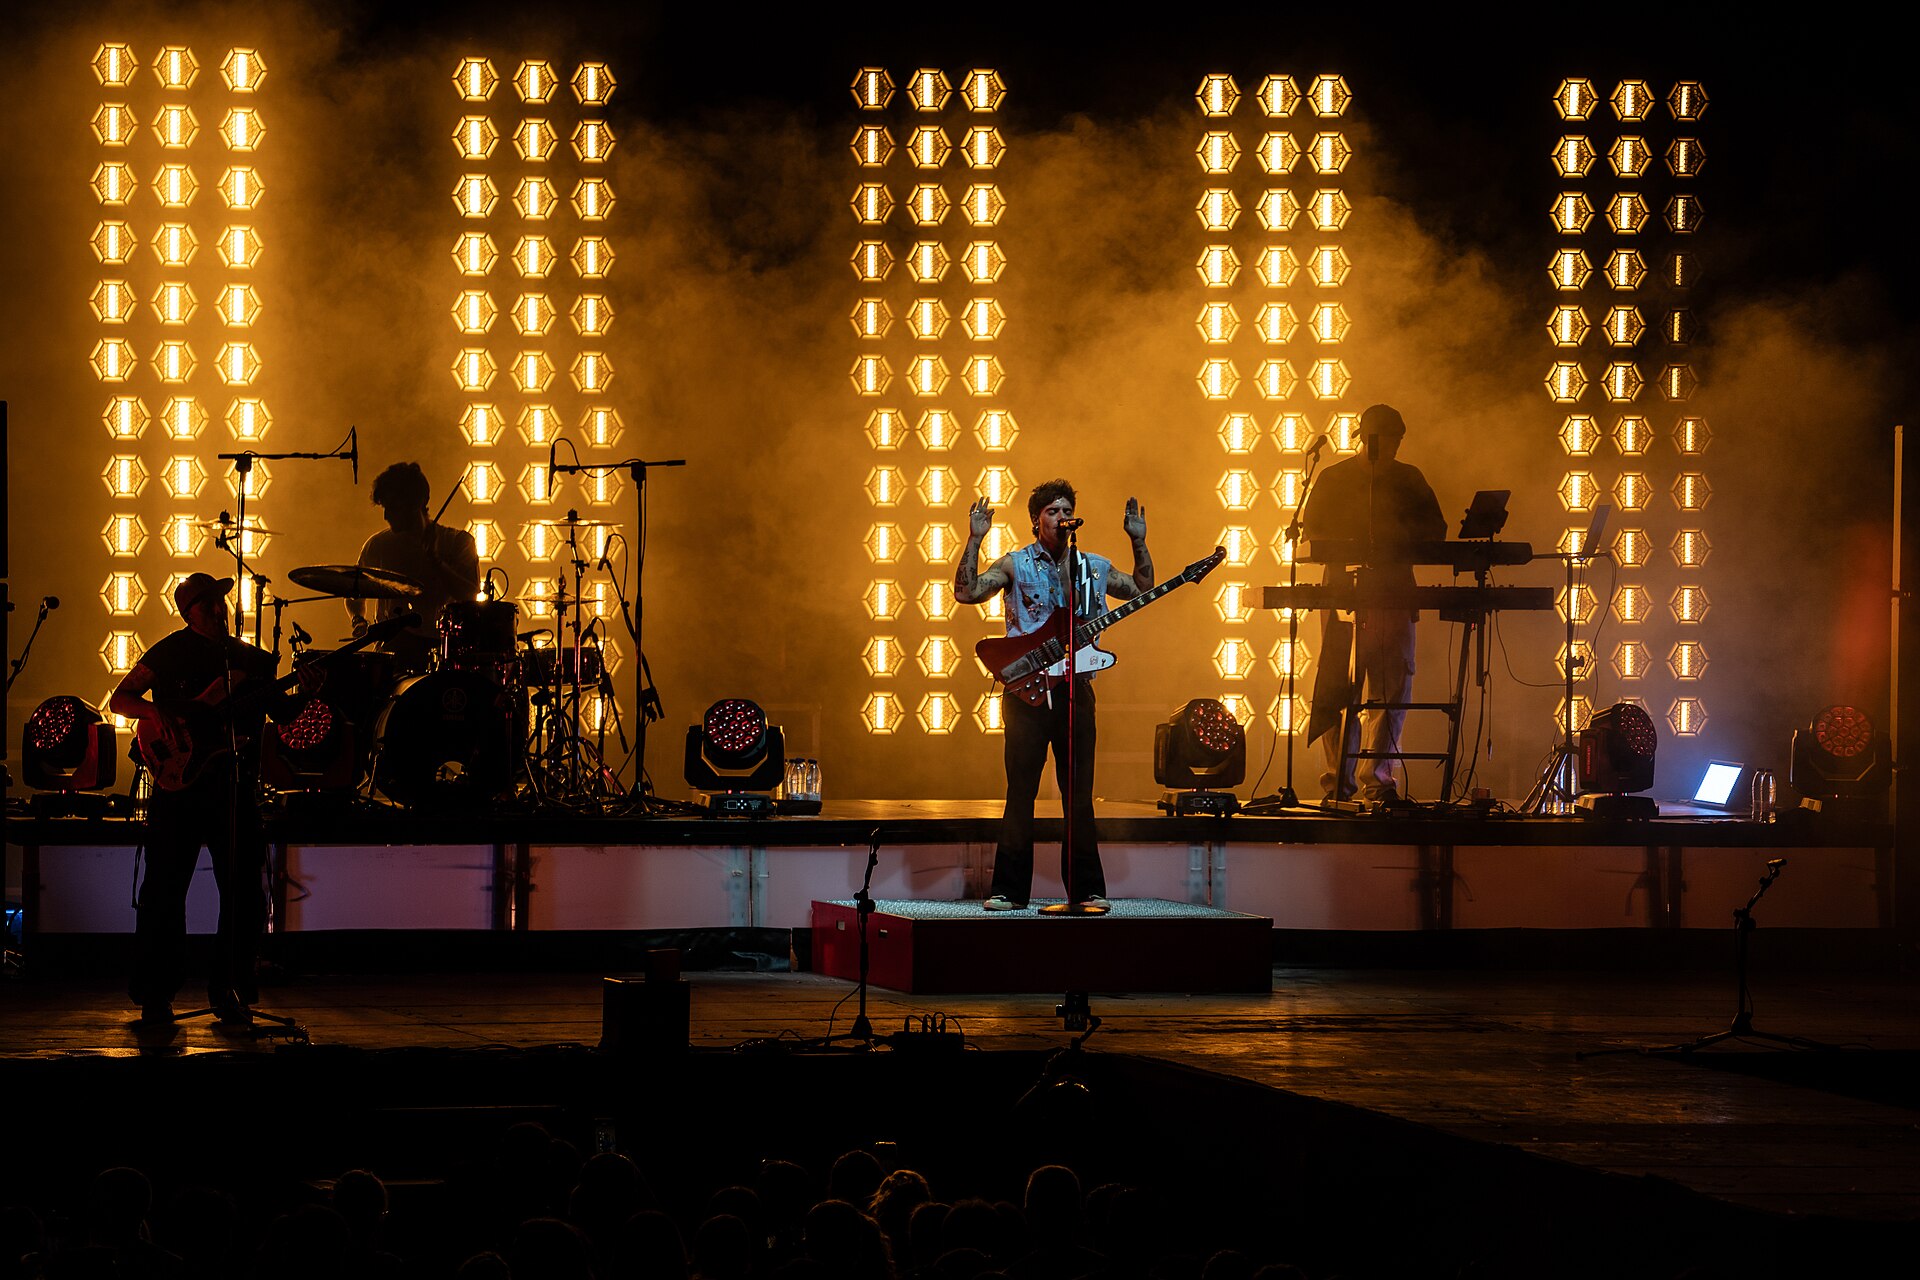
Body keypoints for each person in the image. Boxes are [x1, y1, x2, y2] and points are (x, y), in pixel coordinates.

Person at [110, 572, 304, 1025]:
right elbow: (121, 698)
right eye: (208, 602)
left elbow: (287, 716)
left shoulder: (252, 661)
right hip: (176, 788)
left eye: (221, 600)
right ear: (188, 610)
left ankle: (229, 988)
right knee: (162, 891)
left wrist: (310, 691)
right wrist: (155, 711)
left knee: (243, 896)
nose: (220, 608)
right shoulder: (169, 650)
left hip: (232, 786)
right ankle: (156, 995)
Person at [955, 480, 1153, 911]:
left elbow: (1139, 590)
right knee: (1020, 793)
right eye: (1052, 511)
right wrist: (974, 538)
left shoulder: (1093, 567)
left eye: (1066, 510)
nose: (1061, 517)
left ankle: (1086, 890)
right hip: (1026, 696)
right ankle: (1008, 890)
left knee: (1078, 796)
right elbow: (966, 592)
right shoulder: (1015, 564)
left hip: (1075, 693)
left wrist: (1139, 543)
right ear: (1035, 520)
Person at [1300, 403, 1446, 804]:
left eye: (1399, 438)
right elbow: (1311, 530)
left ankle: (1377, 782)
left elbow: (1437, 528)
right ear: (1365, 438)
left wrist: (1399, 539)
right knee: (1338, 687)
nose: (1394, 446)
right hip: (1343, 592)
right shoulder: (1334, 478)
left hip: (1395, 591)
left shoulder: (1409, 478)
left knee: (1391, 689)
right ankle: (1339, 782)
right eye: (1388, 437)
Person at [347, 462, 481, 671]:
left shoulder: (458, 542)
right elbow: (354, 590)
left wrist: (436, 562)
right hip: (391, 652)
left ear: (417, 502)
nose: (386, 515)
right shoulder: (377, 545)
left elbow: (470, 594)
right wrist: (358, 620)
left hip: (444, 654)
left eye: (393, 507)